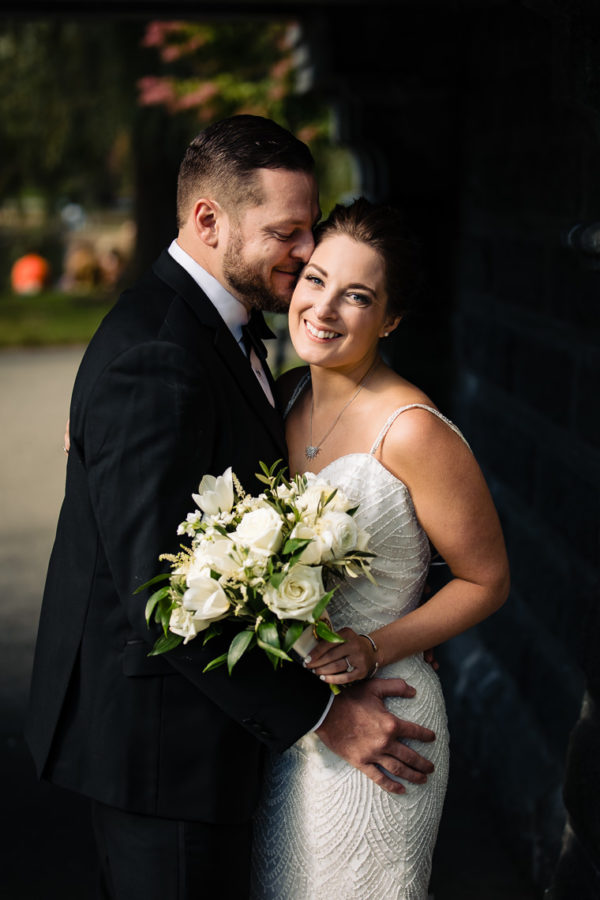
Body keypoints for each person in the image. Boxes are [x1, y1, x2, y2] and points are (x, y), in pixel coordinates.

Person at [25, 117, 437, 900]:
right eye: (285, 231)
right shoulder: (157, 353)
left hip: (210, 733)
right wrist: (324, 716)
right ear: (208, 220)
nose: (308, 249)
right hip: (161, 749)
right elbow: (162, 590)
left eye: (308, 227)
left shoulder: (231, 328)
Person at [251, 198, 510, 899]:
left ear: (391, 320)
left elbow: (486, 579)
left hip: (385, 714)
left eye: (357, 296)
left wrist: (376, 644)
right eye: (316, 280)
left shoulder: (413, 430)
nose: (325, 309)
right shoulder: (280, 397)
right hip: (297, 717)